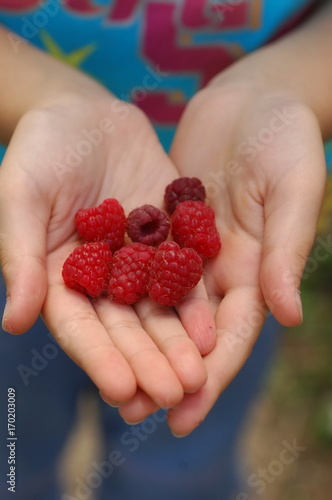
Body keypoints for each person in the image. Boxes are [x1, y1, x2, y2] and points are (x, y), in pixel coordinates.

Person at [0, 0, 330, 498]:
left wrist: (287, 86)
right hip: (28, 214)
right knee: (13, 452)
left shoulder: (197, 251)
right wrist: (42, 95)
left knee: (180, 468)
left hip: (237, 261)